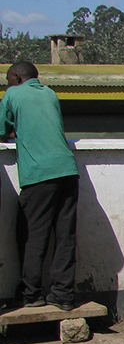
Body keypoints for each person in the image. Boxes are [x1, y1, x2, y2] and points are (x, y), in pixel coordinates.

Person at [0, 62, 80, 311]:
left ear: (16, 77)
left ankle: (32, 294)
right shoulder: (50, 93)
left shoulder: (13, 93)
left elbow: (1, 129)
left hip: (39, 175)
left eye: (8, 80)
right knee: (65, 235)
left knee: (33, 235)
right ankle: (63, 294)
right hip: (68, 171)